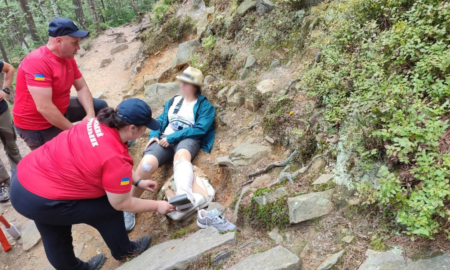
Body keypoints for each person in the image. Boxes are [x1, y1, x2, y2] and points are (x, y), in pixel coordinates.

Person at [10, 99, 175, 270]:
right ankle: (126, 251)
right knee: (107, 209)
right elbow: (121, 203)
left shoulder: (95, 123)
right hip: (41, 196)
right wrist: (157, 205)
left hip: (24, 180)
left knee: (53, 228)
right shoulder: (115, 157)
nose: (145, 130)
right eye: (144, 127)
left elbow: (109, 163)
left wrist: (138, 181)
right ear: (132, 128)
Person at [123, 67, 215, 232]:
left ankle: (184, 194)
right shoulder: (173, 101)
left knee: (181, 156)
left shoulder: (205, 106)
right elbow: (161, 119)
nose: (182, 85)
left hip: (187, 139)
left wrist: (172, 138)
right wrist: (155, 134)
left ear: (195, 86)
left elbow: (200, 129)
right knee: (146, 164)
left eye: (186, 82)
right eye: (182, 81)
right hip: (165, 138)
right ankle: (129, 205)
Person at [13, 18, 107, 150]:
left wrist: (90, 114)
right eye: (75, 43)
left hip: (61, 108)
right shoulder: (37, 62)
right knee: (62, 158)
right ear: (59, 41)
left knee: (100, 107)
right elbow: (45, 108)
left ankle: (105, 141)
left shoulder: (68, 58)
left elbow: (82, 88)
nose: (78, 48)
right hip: (37, 125)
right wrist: (74, 130)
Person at [0, 61, 21, 202]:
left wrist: (5, 90)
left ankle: (20, 174)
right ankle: (3, 183)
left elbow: (9, 69)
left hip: (1, 112)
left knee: (11, 144)